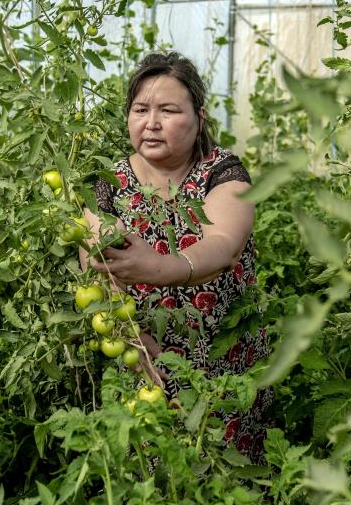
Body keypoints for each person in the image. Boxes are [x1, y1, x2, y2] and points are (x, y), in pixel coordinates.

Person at [81, 51, 271, 460]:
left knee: (224, 472)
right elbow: (93, 267)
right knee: (147, 474)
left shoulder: (223, 172)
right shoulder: (108, 183)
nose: (151, 123)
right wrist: (128, 337)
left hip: (222, 364)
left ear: (199, 117)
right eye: (140, 109)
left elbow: (224, 244)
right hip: (141, 360)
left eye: (168, 110)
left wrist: (161, 267)